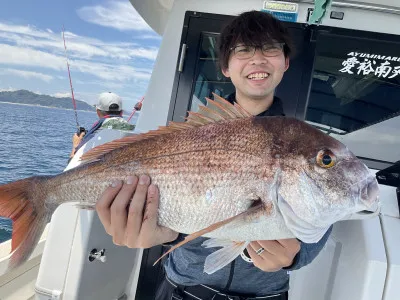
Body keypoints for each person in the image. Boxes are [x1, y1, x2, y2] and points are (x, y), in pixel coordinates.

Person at [95, 11, 332, 300]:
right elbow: (174, 216)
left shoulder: (305, 145)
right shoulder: (191, 135)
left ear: (285, 62)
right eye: (243, 49)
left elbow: (322, 217)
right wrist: (156, 233)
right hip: (184, 290)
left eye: (270, 48)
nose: (257, 59)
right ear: (226, 67)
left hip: (266, 295)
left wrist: (296, 256)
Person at [69, 92, 135, 161]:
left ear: (98, 112)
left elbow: (73, 164)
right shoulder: (133, 131)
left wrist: (76, 145)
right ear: (121, 112)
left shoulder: (95, 136)